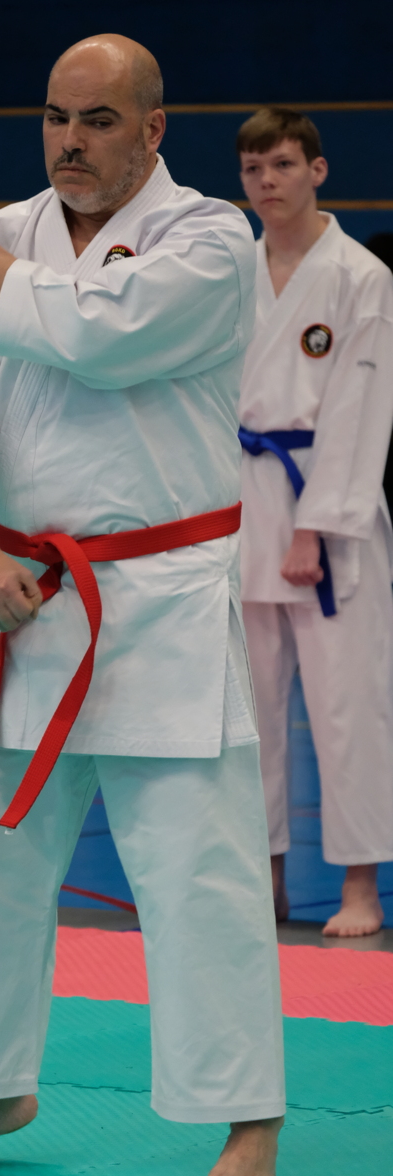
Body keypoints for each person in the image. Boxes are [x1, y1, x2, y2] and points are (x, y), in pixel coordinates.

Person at [0, 34, 285, 1176]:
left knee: (199, 878)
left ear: (153, 130)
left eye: (99, 121)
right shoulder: (7, 232)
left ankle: (248, 1126)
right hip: (19, 601)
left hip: (161, 605)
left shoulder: (210, 237)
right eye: (56, 117)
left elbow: (101, 335)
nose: (70, 141)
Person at [237, 107, 393, 937]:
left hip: (328, 512)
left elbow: (360, 410)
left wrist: (314, 528)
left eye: (283, 165)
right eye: (253, 169)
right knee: (248, 710)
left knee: (347, 707)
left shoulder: (360, 275)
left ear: (317, 170)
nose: (267, 182)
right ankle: (262, 882)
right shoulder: (230, 269)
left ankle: (360, 888)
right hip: (242, 504)